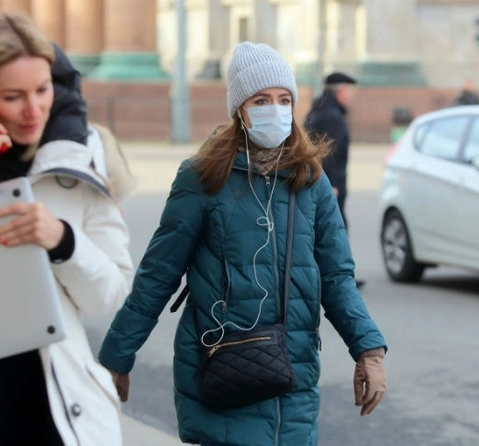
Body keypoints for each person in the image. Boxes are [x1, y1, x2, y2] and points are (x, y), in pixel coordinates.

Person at [98, 42, 388, 446]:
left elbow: (337, 277)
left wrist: (368, 349)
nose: (276, 109)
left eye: (284, 99)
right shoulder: (202, 177)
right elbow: (158, 275)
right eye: (262, 100)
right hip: (222, 372)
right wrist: (117, 356)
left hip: (293, 376)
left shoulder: (311, 179)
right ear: (240, 109)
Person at [0, 12, 134, 446]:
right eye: (13, 96)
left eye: (43, 90)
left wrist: (63, 240)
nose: (33, 110)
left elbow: (110, 294)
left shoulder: (81, 156)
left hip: (62, 410)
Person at [304, 72, 366, 289]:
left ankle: (326, 274)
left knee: (322, 228)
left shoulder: (318, 109)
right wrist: (331, 184)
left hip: (317, 179)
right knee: (335, 229)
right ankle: (340, 277)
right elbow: (329, 153)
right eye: (349, 91)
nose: (350, 96)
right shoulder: (332, 116)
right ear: (340, 91)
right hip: (330, 182)